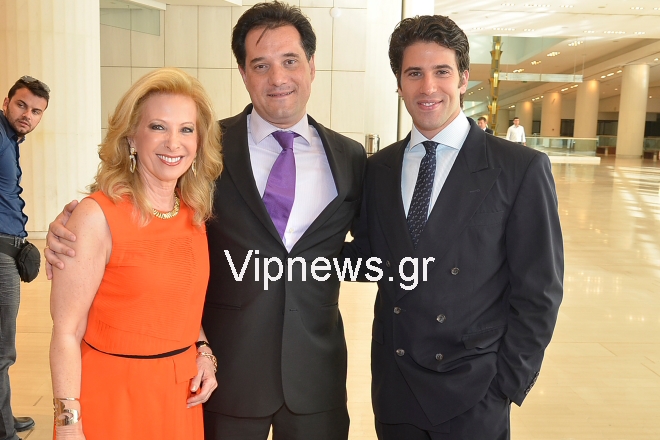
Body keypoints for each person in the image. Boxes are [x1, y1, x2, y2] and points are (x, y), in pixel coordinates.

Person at [45, 3, 366, 440]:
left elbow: (368, 249)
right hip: (221, 383)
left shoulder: (350, 158)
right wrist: (74, 224)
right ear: (243, 72)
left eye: (290, 61)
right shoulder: (207, 151)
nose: (277, 77)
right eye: (261, 64)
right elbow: (137, 208)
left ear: (312, 65)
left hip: (314, 379)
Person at [341, 15, 563, 439]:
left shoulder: (519, 168)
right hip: (396, 390)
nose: (428, 87)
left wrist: (506, 384)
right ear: (399, 83)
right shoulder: (378, 169)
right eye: (414, 73)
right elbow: (372, 258)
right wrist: (294, 253)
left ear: (463, 78)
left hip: (475, 392)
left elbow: (539, 291)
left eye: (441, 71)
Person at [48, 68, 222, 439]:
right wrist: (68, 423)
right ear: (131, 136)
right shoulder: (96, 216)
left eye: (186, 129)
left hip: (179, 399)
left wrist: (204, 351)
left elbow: (177, 304)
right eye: (158, 127)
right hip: (113, 398)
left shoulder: (194, 214)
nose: (173, 143)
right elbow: (66, 330)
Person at [0, 76, 50, 440]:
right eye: (21, 105)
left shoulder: (10, 140)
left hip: (8, 248)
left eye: (36, 111)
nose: (27, 115)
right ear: (6, 102)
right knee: (3, 350)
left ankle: (2, 416)